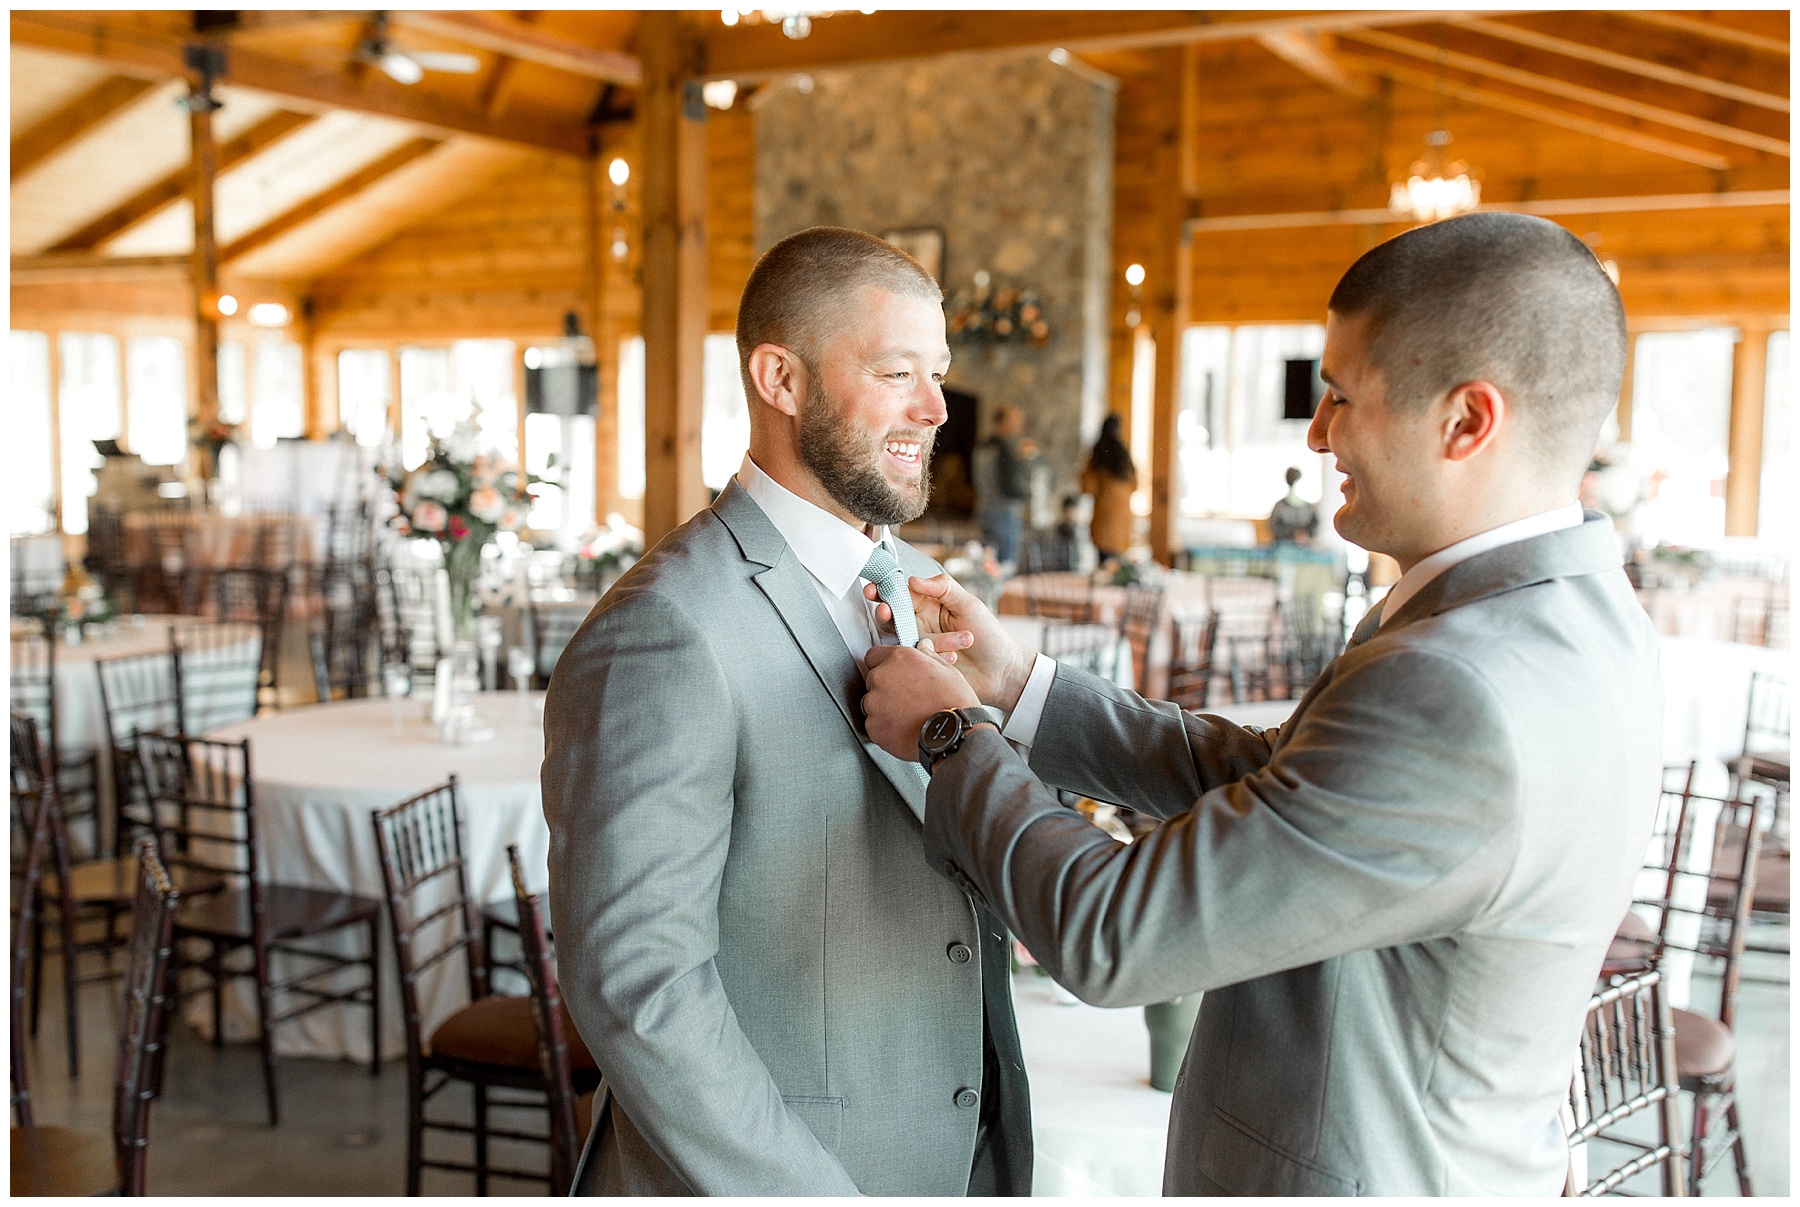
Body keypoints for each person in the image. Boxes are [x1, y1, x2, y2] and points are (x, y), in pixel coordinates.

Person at [857, 212, 1659, 1195]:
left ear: (1466, 422)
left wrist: (952, 736)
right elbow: (1279, 784)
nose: (1316, 433)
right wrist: (1022, 686)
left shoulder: (1458, 684)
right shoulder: (1575, 612)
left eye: (1341, 396)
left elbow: (1116, 934)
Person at [542, 226, 1032, 1196]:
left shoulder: (916, 581)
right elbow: (640, 989)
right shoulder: (662, 628)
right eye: (898, 372)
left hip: (951, 1154)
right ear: (781, 379)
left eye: (937, 374)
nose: (936, 408)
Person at [972, 404, 1035, 566]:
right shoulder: (1005, 448)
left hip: (983, 510)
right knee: (1005, 564)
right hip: (1004, 514)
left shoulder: (983, 446)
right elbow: (1009, 485)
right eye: (1015, 420)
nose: (1019, 424)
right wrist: (1027, 493)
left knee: (987, 562)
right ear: (1003, 422)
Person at [1079, 414, 1137, 560]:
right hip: (1123, 515)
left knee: (1105, 560)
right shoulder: (1124, 454)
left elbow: (1088, 487)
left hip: (1104, 516)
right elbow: (1134, 485)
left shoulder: (1098, 454)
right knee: (1117, 561)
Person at [1267, 465, 1318, 545]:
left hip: (1305, 546)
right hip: (1284, 545)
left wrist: (1304, 534)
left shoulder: (1309, 507)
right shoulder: (1280, 506)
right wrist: (1292, 534)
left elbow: (1314, 526)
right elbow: (1274, 527)